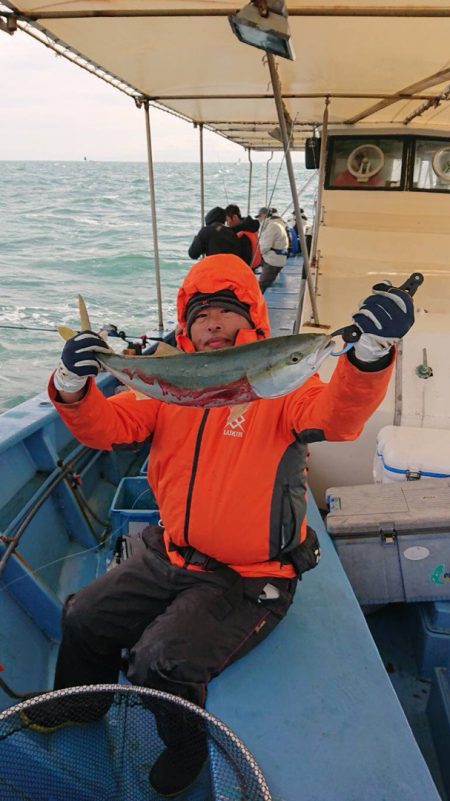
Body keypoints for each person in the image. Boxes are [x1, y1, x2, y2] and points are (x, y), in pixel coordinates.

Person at [37, 254, 414, 796]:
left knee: (159, 662)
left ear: (253, 317)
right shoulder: (171, 387)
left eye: (226, 310)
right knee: (82, 615)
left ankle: (185, 746)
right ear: (185, 328)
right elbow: (108, 427)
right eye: (200, 315)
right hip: (170, 553)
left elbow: (338, 413)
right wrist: (72, 385)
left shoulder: (283, 389)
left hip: (249, 578)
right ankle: (80, 705)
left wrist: (371, 355)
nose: (213, 322)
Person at [256, 207, 290, 293]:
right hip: (277, 258)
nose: (259, 219)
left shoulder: (272, 226)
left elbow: (265, 247)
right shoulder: (277, 223)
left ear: (264, 215)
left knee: (261, 285)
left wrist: (255, 254)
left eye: (259, 217)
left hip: (273, 261)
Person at [224, 203, 261, 269]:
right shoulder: (250, 226)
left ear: (235, 217)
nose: (227, 224)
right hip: (255, 264)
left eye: (227, 220)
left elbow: (246, 259)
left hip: (246, 268)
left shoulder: (242, 235)